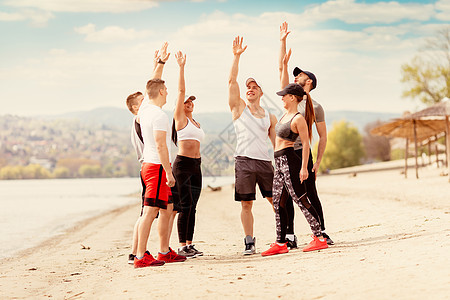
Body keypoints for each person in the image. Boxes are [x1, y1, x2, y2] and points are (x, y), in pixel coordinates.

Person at [278, 22, 333, 247]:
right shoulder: (291, 96)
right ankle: (289, 236)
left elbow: (322, 136)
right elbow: (281, 68)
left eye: (299, 75)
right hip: (286, 153)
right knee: (286, 195)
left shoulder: (316, 107)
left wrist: (317, 162)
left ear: (308, 81)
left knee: (310, 193)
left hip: (303, 154)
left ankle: (321, 232)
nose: (294, 77)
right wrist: (282, 42)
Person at [134, 44, 187, 268]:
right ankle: (140, 256)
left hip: (151, 165)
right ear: (163, 93)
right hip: (156, 167)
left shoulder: (145, 108)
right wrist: (169, 172)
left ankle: (164, 251)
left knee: (167, 208)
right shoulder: (158, 115)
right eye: (166, 89)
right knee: (150, 211)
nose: (168, 92)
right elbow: (161, 145)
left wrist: (160, 64)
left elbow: (151, 86)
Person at [261, 83, 328, 256]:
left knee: (301, 200)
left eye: (284, 95)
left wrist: (304, 167)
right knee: (278, 202)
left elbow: (306, 143)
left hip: (291, 161)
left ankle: (319, 238)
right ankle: (280, 242)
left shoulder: (298, 118)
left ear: (292, 97)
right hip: (279, 162)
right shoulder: (284, 115)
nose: (281, 97)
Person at [228, 36, 278, 255]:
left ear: (261, 92)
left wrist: (283, 163)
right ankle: (249, 241)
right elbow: (231, 82)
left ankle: (285, 234)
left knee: (276, 200)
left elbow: (276, 143)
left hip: (265, 163)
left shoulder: (270, 116)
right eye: (247, 87)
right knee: (246, 204)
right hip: (244, 162)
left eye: (254, 87)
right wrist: (236, 57)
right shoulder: (239, 109)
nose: (249, 89)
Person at [171, 51, 205, 258]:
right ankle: (181, 245)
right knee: (184, 205)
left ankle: (189, 244)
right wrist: (182, 67)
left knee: (193, 206)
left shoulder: (196, 122)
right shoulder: (179, 119)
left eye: (191, 101)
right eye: (185, 101)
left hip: (196, 165)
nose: (188, 103)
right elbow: (181, 90)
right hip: (182, 165)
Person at [125, 91, 145, 264]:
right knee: (146, 212)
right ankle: (135, 252)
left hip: (148, 166)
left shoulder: (141, 120)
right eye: (143, 101)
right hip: (149, 166)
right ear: (136, 107)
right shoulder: (140, 119)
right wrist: (159, 63)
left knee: (149, 212)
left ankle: (138, 250)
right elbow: (152, 88)